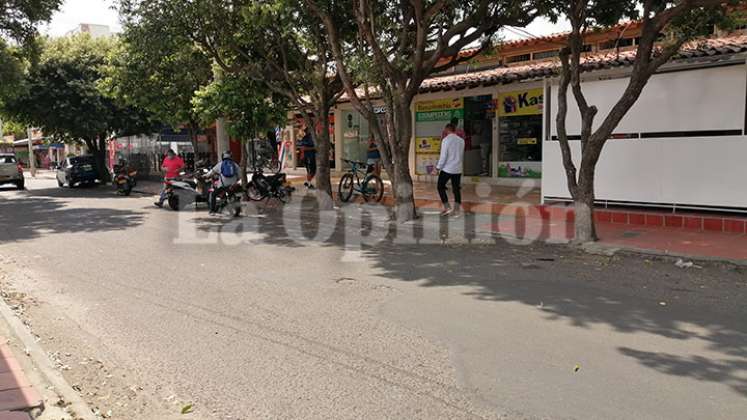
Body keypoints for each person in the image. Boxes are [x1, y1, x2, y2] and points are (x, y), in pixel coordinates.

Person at [436, 123, 465, 217]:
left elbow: (443, 156)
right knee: (456, 189)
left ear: (446, 129)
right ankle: (456, 210)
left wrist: (438, 168)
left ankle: (447, 207)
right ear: (454, 130)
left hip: (447, 168)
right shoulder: (461, 141)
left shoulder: (446, 140)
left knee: (440, 186)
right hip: (457, 168)